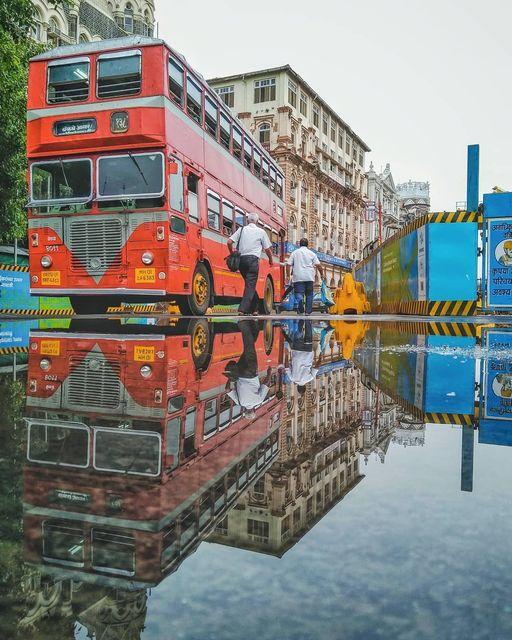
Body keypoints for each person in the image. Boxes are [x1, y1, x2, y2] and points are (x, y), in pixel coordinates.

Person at [228, 212, 273, 315]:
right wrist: (270, 259)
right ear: (257, 221)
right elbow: (267, 249)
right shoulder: (261, 232)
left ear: (247, 220)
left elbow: (229, 242)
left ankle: (255, 308)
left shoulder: (241, 229)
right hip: (253, 261)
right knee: (250, 285)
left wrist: (232, 254)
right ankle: (242, 309)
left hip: (241, 261)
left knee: (249, 285)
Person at [225, 319, 272, 417]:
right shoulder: (240, 403)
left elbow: (266, 384)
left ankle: (243, 324)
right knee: (248, 348)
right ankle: (255, 326)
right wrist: (231, 378)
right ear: (244, 410)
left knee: (249, 347)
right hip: (240, 372)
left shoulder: (259, 401)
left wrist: (269, 373)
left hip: (251, 372)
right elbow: (227, 390)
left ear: (254, 410)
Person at [286, 238, 324, 314]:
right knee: (309, 294)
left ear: (299, 244)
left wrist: (288, 275)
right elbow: (318, 265)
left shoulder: (294, 253)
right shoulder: (312, 254)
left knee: (299, 293)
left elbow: (288, 264)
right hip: (309, 277)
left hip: (298, 277)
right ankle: (308, 312)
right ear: (308, 244)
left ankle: (300, 303)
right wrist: (322, 274)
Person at [280, 320, 319, 393]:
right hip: (297, 353)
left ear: (305, 386)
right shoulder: (292, 379)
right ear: (297, 386)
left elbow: (317, 367)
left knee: (308, 336)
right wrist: (287, 354)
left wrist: (320, 358)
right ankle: (301, 321)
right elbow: (287, 367)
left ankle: (308, 319)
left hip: (307, 353)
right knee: (298, 337)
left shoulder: (310, 378)